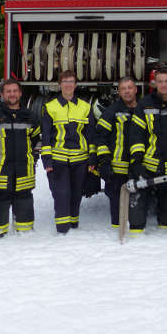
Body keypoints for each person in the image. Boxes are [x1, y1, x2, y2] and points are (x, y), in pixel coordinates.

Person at [0, 79, 41, 237]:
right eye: (8, 91)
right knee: (0, 198)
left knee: (24, 197)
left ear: (20, 93)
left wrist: (32, 158)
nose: (12, 94)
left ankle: (24, 229)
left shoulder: (30, 116)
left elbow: (36, 140)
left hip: (24, 168)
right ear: (2, 94)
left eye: (15, 91)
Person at [129, 67, 167, 233]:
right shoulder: (144, 104)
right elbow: (136, 134)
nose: (163, 85)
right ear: (154, 83)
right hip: (148, 165)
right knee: (137, 213)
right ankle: (135, 239)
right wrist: (137, 161)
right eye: (160, 81)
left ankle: (165, 251)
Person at [41, 70, 96, 234]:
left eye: (71, 81)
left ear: (76, 85)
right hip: (59, 159)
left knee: (76, 193)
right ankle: (62, 229)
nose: (68, 84)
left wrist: (92, 159)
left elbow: (90, 134)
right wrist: (47, 161)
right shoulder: (50, 107)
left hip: (80, 159)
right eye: (65, 81)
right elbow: (46, 137)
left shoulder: (85, 107)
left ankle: (73, 224)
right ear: (59, 85)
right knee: (61, 193)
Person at [95, 76, 139, 229]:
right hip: (117, 169)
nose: (127, 91)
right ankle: (116, 238)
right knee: (117, 209)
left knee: (137, 208)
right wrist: (104, 161)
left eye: (130, 88)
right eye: (123, 89)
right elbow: (100, 137)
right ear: (119, 92)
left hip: (137, 166)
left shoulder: (142, 110)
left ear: (135, 89)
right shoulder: (111, 111)